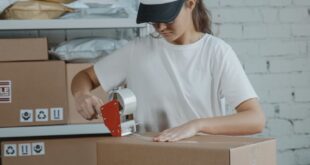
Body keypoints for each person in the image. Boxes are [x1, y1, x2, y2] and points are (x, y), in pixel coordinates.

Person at [71, 0, 265, 142]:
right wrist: (81, 95)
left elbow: (255, 119)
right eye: (154, 21)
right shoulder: (136, 51)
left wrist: (196, 125)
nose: (161, 27)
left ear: (191, 3)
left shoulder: (216, 52)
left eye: (167, 18)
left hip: (204, 157)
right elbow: (85, 77)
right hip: (151, 156)